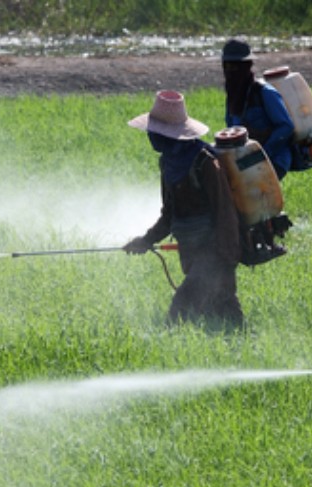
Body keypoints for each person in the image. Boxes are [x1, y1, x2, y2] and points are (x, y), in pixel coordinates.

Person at [123, 90, 243, 328]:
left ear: (171, 136)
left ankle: (167, 342)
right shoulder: (168, 164)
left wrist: (227, 257)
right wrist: (146, 240)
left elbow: (225, 210)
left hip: (214, 251)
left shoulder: (205, 163)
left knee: (181, 309)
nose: (151, 137)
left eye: (155, 133)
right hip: (191, 249)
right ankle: (245, 342)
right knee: (222, 311)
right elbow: (170, 214)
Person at [222, 39, 295, 180]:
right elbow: (231, 128)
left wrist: (262, 153)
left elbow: (286, 126)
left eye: (235, 66)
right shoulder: (232, 96)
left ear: (247, 66)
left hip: (275, 159)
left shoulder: (265, 92)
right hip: (246, 161)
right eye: (227, 66)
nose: (230, 71)